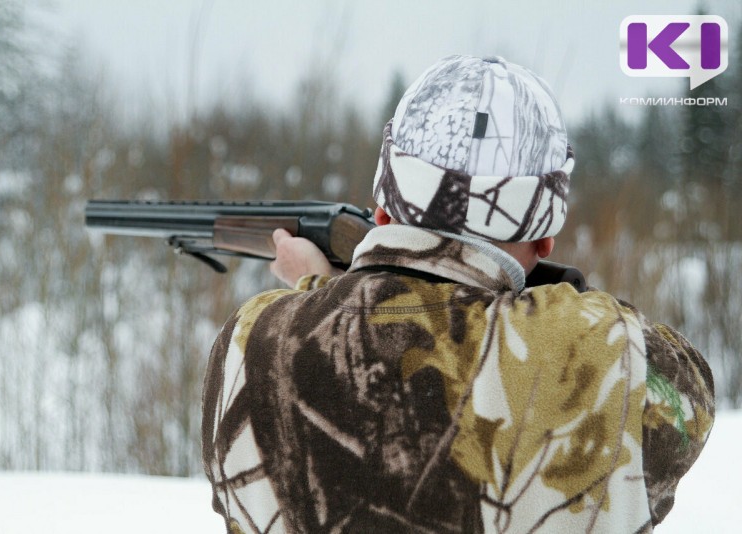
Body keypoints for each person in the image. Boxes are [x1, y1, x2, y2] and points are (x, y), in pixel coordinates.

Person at [202, 55, 714, 533]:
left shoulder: (250, 341)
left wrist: (324, 290)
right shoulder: (608, 355)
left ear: (383, 210)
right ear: (544, 237)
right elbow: (688, 400)